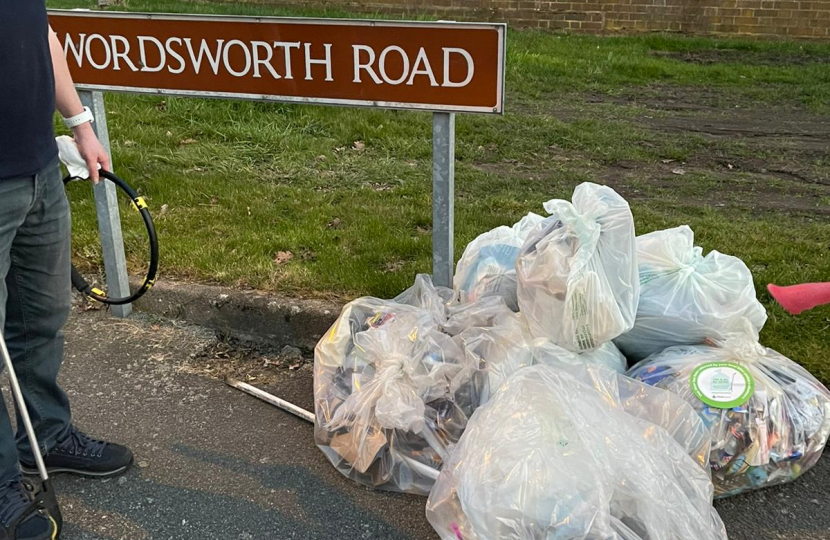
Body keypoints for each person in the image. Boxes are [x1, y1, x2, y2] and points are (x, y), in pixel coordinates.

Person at [1, 3, 134, 539]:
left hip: (37, 172)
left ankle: (46, 438)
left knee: (41, 316)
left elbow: (41, 32)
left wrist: (80, 124)